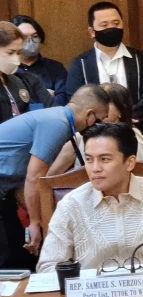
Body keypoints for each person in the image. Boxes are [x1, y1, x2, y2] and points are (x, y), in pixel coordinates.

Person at [36, 122, 143, 273]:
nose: (95, 168)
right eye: (89, 159)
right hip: (93, 296)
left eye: (104, 159)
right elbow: (49, 266)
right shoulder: (71, 204)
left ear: (129, 162)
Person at [0, 85, 109, 268]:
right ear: (90, 115)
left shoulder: (57, 117)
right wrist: (35, 223)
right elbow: (34, 177)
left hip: (6, 191)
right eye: (100, 120)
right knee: (6, 258)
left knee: (15, 256)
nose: (100, 126)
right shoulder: (58, 124)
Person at [65, 1, 143, 141]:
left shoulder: (139, 58)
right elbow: (74, 98)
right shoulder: (80, 63)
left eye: (116, 23)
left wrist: (128, 117)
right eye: (104, 25)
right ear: (92, 31)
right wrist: (102, 120)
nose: (111, 28)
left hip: (136, 131)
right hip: (95, 135)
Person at [48, 82, 143, 173]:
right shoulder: (79, 137)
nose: (99, 108)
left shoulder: (133, 138)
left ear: (121, 110)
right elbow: (51, 176)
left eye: (106, 104)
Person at [0, 21, 53, 123]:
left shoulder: (25, 81)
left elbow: (51, 112)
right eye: (10, 52)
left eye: (19, 53)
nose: (16, 58)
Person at [12, 14, 68, 105]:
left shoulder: (55, 68)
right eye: (24, 37)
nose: (30, 41)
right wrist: (44, 95)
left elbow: (62, 100)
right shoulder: (7, 70)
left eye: (34, 36)